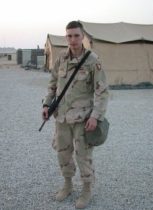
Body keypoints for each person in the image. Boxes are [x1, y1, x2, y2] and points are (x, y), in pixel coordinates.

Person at [42, 21, 109, 209]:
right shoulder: (61, 58)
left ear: (83, 37)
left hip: (83, 120)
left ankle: (87, 190)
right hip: (62, 118)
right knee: (63, 154)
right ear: (66, 37)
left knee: (83, 155)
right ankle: (68, 185)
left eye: (76, 35)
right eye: (69, 36)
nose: (73, 40)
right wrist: (47, 105)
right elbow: (53, 84)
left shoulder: (92, 60)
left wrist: (96, 116)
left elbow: (102, 92)